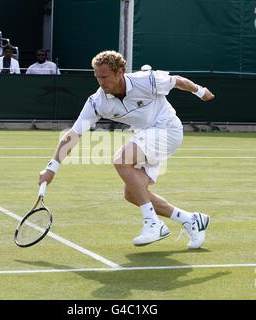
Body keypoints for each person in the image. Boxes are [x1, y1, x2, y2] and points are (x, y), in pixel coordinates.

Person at [38, 51, 215, 249]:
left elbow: (177, 81)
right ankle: (191, 220)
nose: (101, 82)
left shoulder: (146, 80)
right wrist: (51, 168)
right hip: (146, 135)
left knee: (121, 159)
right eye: (97, 77)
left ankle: (153, 223)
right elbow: (74, 134)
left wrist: (200, 91)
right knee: (132, 194)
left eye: (105, 77)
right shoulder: (97, 102)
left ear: (120, 71)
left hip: (168, 129)